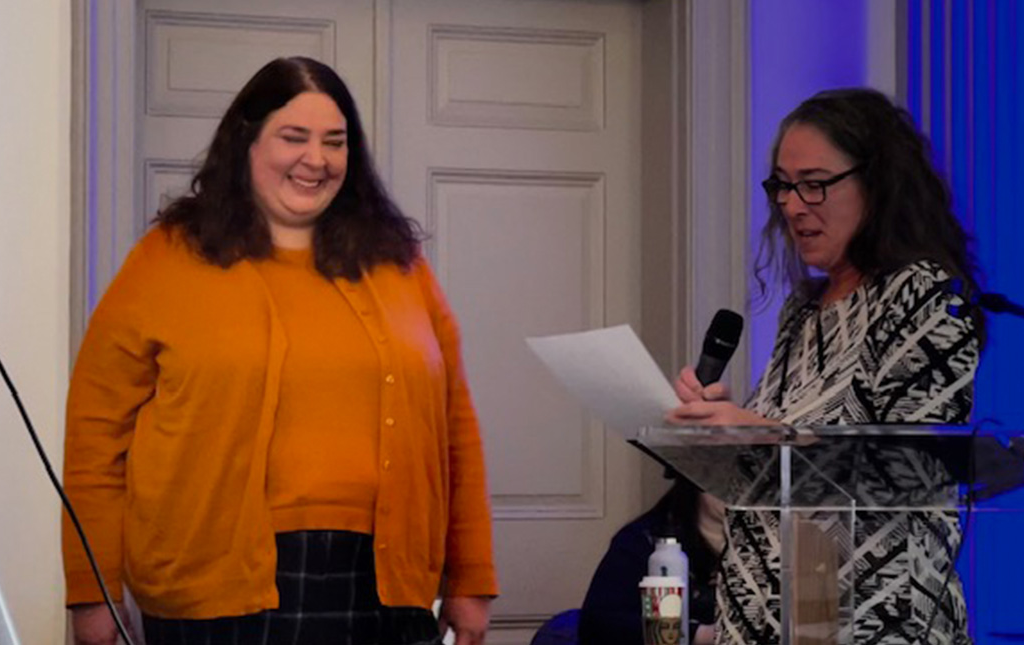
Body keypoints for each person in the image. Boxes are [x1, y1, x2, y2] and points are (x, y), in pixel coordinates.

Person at [62, 57, 497, 645]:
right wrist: (92, 591)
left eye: (335, 142)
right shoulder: (165, 259)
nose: (316, 159)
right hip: (209, 589)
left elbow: (455, 429)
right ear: (246, 141)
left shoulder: (400, 265)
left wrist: (471, 578)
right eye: (294, 137)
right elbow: (95, 438)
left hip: (382, 587)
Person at [669, 88, 982, 644]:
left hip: (874, 626)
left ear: (877, 182)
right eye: (783, 186)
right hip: (775, 620)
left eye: (814, 183)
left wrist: (761, 433)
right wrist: (721, 432)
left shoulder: (924, 298)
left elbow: (912, 474)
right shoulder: (804, 310)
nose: (792, 205)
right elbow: (783, 470)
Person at [579, 478, 724, 645]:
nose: (744, 491)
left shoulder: (756, 542)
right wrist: (699, 635)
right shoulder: (642, 541)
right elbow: (599, 625)